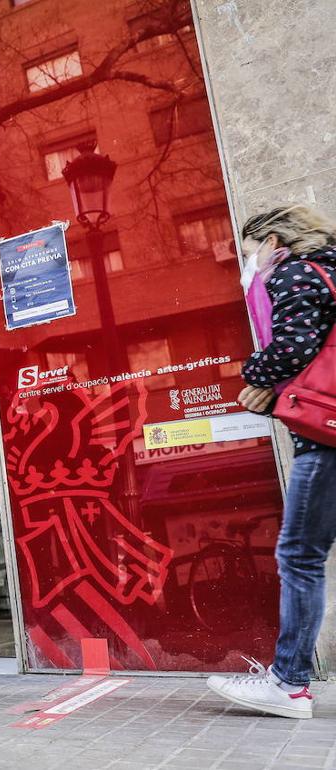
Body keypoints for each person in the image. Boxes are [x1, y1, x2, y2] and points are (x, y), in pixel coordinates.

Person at [207, 204, 336, 719]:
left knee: (300, 556)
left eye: (249, 252)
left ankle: (289, 683)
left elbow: (292, 346)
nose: (249, 263)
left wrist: (254, 374)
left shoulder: (296, 271)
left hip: (325, 436)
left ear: (274, 241)